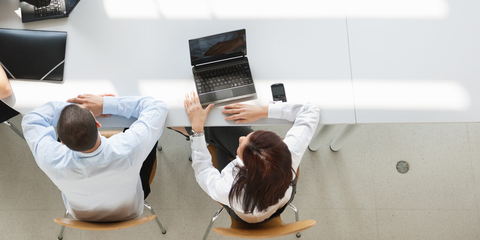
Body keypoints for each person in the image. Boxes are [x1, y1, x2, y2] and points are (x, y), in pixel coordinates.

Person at [22, 94, 167, 222]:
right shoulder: (128, 148)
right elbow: (157, 107)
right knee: (145, 140)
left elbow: (31, 119)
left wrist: (73, 107)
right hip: (130, 210)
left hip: (81, 217)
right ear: (98, 124)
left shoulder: (52, 160)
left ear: (62, 142)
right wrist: (103, 104)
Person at [181, 92, 319, 223]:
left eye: (240, 150)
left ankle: (183, 127)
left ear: (243, 171)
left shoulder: (227, 188)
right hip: (278, 197)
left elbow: (203, 171)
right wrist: (262, 111)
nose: (241, 138)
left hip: (243, 214)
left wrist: (197, 130)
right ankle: (189, 129)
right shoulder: (290, 152)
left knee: (215, 129)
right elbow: (310, 110)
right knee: (222, 131)